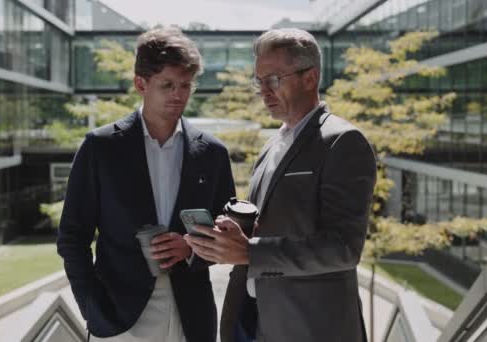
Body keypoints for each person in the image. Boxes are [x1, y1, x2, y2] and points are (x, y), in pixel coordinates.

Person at [185, 28, 377, 342]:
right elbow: (268, 226)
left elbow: (343, 248)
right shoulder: (271, 144)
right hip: (252, 321)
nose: (264, 91)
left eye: (273, 79)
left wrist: (250, 251)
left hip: (309, 328)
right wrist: (230, 236)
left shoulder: (343, 142)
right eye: (259, 81)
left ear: (310, 77)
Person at [57, 27, 235, 342]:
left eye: (185, 85)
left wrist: (191, 247)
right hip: (118, 319)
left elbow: (228, 233)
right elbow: (72, 236)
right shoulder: (100, 147)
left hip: (192, 317)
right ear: (141, 83)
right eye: (167, 85)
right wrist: (91, 308)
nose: (179, 94)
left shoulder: (213, 153)